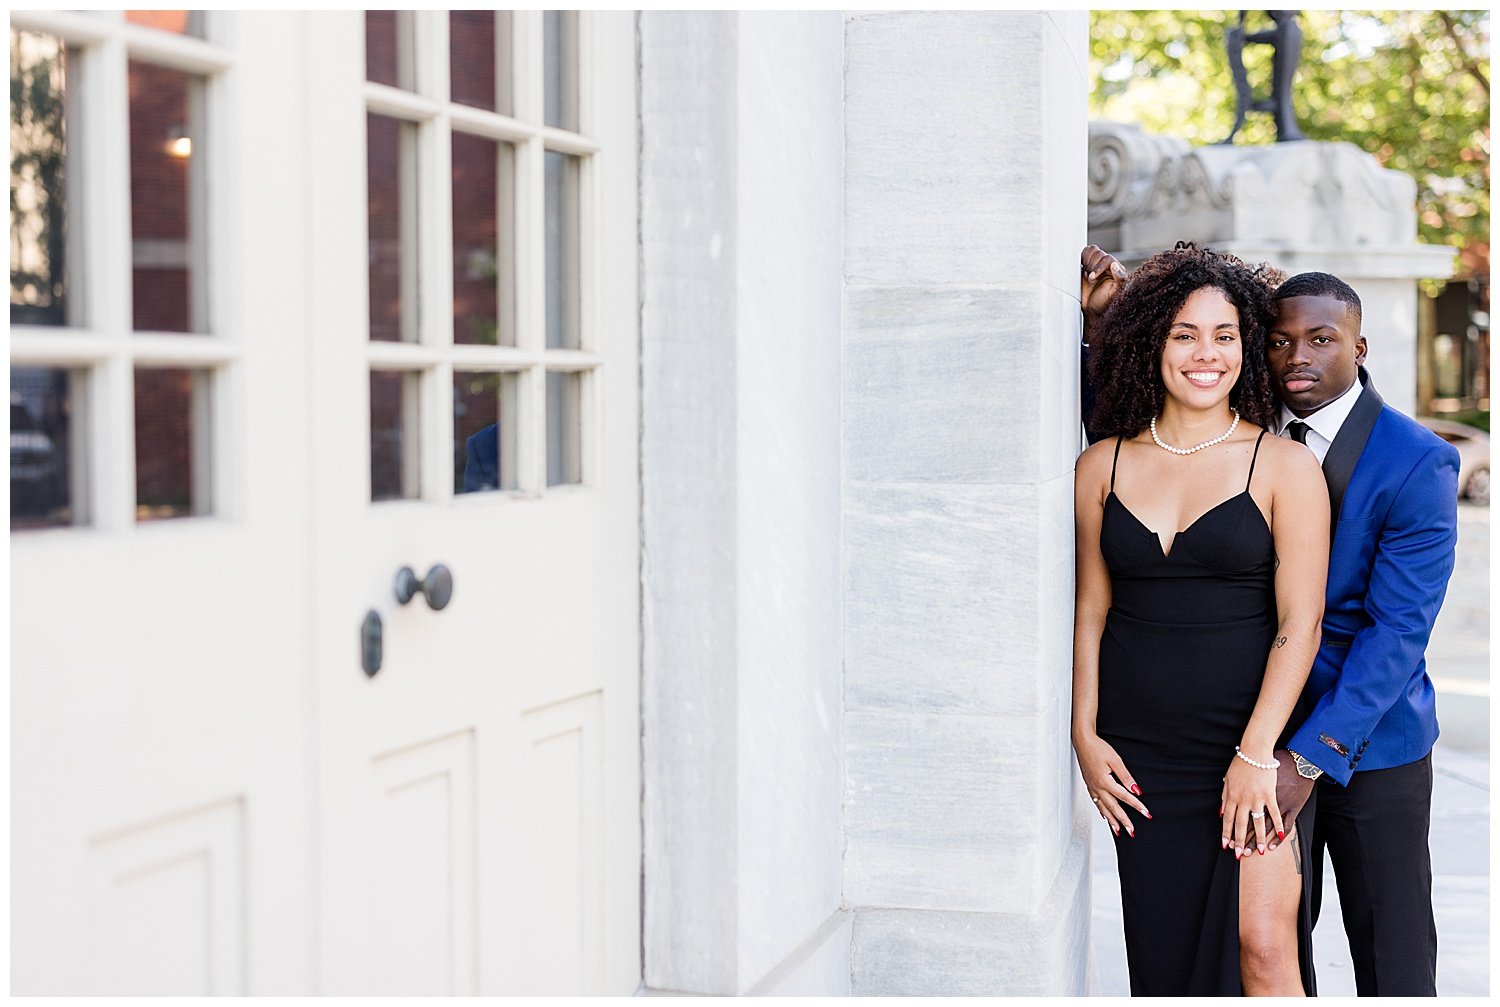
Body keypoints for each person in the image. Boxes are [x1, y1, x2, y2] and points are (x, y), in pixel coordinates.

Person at [1082, 247, 1462, 996]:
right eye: (1281, 339)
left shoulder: (1417, 461)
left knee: (1391, 951)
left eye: (1322, 339)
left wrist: (1303, 754)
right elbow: (1140, 424)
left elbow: (1395, 635)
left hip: (1359, 738)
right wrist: (1100, 327)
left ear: (1359, 346)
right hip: (1236, 723)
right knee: (1271, 945)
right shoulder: (1247, 419)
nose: (1298, 355)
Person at [1072, 242, 1330, 995]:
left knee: (1263, 948)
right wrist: (1083, 734)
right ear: (1153, 341)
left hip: (1243, 742)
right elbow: (1092, 608)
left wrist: (1256, 753)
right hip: (1140, 753)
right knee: (1164, 954)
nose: (1205, 353)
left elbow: (1300, 622)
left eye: (1224, 335)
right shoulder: (1102, 464)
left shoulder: (1284, 466)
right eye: (1185, 333)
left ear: (1246, 347)